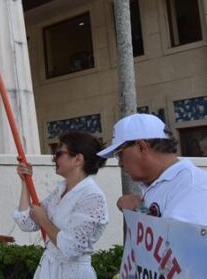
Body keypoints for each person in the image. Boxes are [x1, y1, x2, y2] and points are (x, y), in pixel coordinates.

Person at [13, 132, 110, 279]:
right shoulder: (60, 191)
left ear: (78, 159)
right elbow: (26, 222)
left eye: (58, 153)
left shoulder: (92, 196)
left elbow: (72, 247)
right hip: (49, 270)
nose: (54, 158)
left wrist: (44, 220)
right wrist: (25, 182)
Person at [99, 113, 207, 226]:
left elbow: (179, 240)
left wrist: (138, 211)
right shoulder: (160, 184)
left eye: (120, 154)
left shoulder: (193, 187)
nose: (120, 163)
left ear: (142, 147)